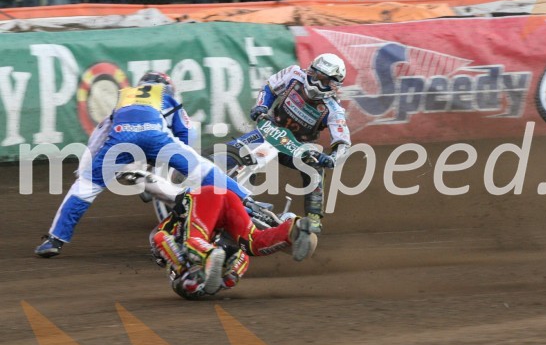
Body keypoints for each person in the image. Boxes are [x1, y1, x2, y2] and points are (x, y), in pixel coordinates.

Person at [35, 72, 254, 258]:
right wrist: (179, 163)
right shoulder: (167, 96)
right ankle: (249, 201)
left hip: (120, 139)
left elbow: (99, 135)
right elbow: (187, 132)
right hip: (156, 137)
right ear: (167, 87)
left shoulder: (125, 97)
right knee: (204, 169)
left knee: (85, 188)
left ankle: (54, 240)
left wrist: (85, 168)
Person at [151, 185, 317, 299]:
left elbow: (158, 238)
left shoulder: (175, 248)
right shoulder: (213, 252)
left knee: (193, 240)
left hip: (203, 197)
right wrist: (230, 278)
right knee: (252, 244)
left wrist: (180, 265)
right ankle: (294, 228)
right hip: (227, 202)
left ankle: (209, 256)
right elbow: (242, 256)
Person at [249, 53, 351, 234]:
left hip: (295, 149)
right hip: (270, 131)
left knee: (315, 168)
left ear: (333, 85)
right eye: (314, 75)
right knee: (244, 151)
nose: (316, 83)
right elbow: (270, 87)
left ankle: (313, 218)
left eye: (323, 80)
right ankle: (235, 186)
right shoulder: (294, 74)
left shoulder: (334, 110)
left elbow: (343, 142)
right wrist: (261, 106)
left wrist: (332, 159)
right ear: (309, 69)